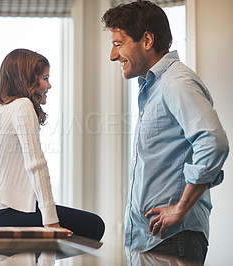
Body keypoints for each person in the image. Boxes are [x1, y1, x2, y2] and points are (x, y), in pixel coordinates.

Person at [102, 0, 229, 264]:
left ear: (146, 40)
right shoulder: (154, 88)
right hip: (153, 241)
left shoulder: (176, 82)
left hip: (172, 241)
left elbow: (213, 142)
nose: (113, 56)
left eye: (118, 44)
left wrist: (181, 208)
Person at [0, 48, 105, 241]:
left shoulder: (6, 107)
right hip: (9, 213)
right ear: (29, 81)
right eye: (45, 78)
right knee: (95, 226)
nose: (49, 85)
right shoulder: (22, 105)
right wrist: (51, 221)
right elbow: (36, 164)